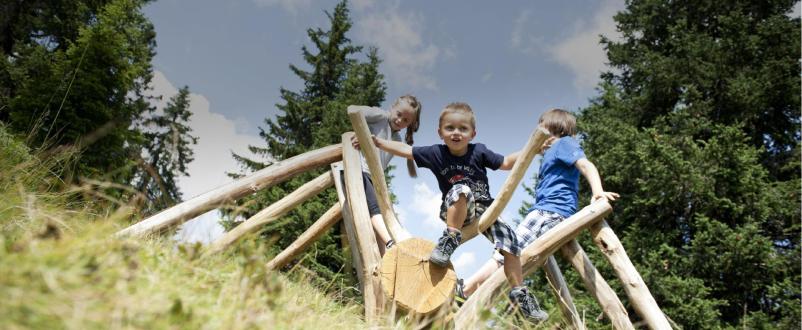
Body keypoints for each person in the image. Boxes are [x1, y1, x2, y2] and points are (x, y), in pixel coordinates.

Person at [372, 102, 547, 321]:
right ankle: (451, 237)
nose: (456, 133)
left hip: (484, 212)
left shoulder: (479, 151)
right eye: (450, 128)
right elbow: (407, 151)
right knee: (461, 189)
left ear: (472, 133)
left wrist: (531, 150)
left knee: (511, 243)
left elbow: (506, 163)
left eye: (463, 129)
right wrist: (378, 142)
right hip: (455, 209)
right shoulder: (436, 153)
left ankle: (521, 295)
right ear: (440, 133)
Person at [456, 108, 619, 321]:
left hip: (548, 212)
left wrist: (597, 192)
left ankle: (465, 289)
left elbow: (586, 165)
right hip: (550, 212)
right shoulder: (552, 152)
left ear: (552, 129)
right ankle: (493, 296)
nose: (537, 133)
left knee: (508, 250)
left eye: (541, 127)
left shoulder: (564, 144)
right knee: (518, 256)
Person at [348, 95, 421, 256]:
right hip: (359, 170)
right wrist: (361, 133)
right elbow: (352, 110)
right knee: (375, 211)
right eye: (399, 114)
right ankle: (391, 244)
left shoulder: (396, 138)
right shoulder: (380, 116)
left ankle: (385, 260)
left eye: (406, 120)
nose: (400, 120)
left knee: (380, 216)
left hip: (373, 178)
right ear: (392, 108)